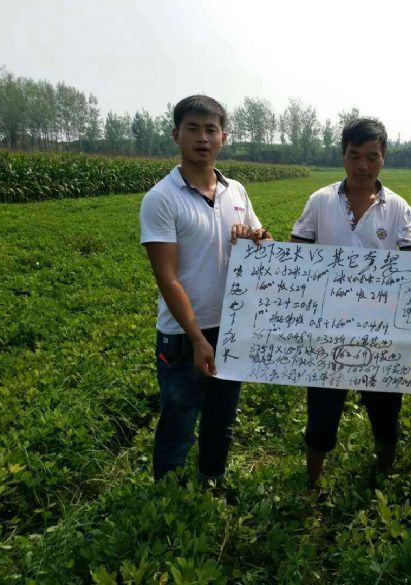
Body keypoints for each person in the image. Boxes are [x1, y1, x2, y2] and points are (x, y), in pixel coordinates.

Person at [290, 117, 411, 491]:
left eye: (371, 157)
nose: (362, 165)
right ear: (343, 155)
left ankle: (384, 476)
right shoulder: (320, 201)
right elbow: (297, 257)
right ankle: (313, 482)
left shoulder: (398, 207)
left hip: (381, 331)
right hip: (327, 329)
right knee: (322, 414)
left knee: (385, 412)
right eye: (354, 155)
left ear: (384, 158)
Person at [139, 95, 270, 483]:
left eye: (211, 130)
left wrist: (256, 235)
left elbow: (263, 242)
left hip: (231, 327)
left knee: (221, 420)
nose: (202, 138)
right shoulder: (161, 199)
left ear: (223, 138)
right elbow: (168, 278)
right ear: (175, 134)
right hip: (183, 336)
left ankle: (211, 483)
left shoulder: (236, 191)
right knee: (178, 422)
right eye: (192, 129)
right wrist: (197, 339)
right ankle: (168, 497)